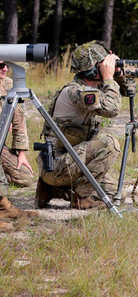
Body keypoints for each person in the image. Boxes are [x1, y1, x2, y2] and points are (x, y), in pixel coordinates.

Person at [35, 41, 124, 210]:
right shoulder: (77, 92)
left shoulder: (87, 88)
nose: (107, 67)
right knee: (109, 143)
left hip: (66, 161)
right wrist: (108, 78)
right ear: (92, 68)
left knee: (114, 194)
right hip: (58, 165)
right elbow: (112, 108)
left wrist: (118, 74)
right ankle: (81, 197)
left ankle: (53, 190)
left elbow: (121, 92)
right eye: (103, 64)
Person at [0, 60, 34, 187]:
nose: (5, 69)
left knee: (26, 178)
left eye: (6, 66)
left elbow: (19, 122)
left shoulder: (10, 85)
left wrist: (21, 154)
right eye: (0, 66)